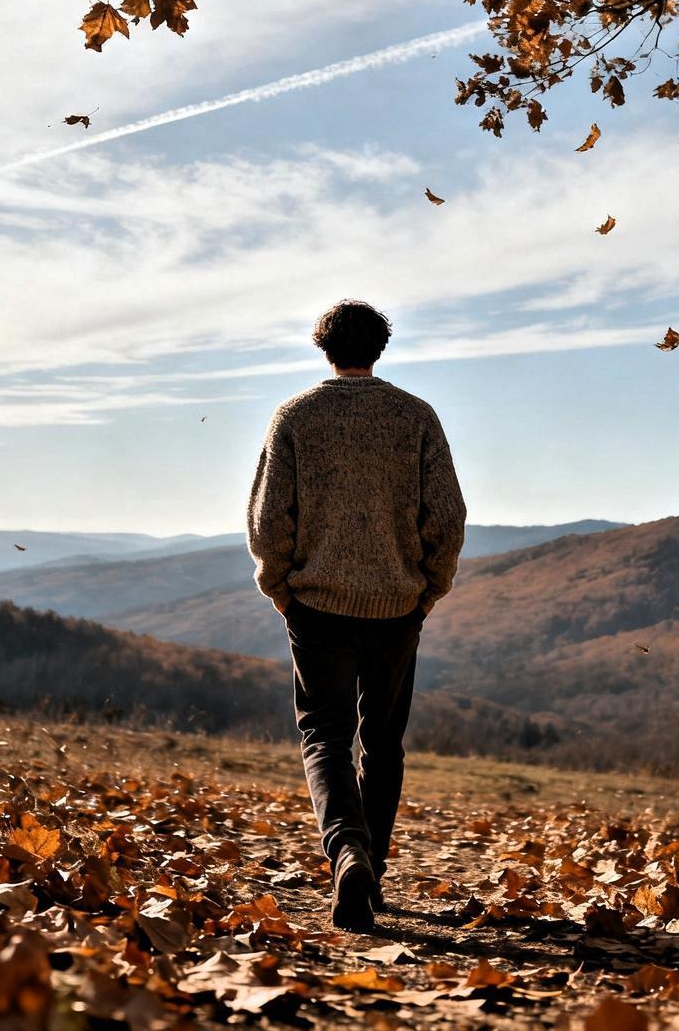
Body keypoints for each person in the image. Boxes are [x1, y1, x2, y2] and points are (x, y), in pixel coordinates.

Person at [245, 299, 467, 932]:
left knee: (326, 736)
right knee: (384, 743)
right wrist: (430, 589)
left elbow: (267, 519)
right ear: (380, 347)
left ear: (324, 347)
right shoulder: (415, 416)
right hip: (398, 605)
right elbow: (447, 516)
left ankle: (347, 852)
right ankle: (372, 869)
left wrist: (278, 587)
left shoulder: (295, 416)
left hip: (315, 605)